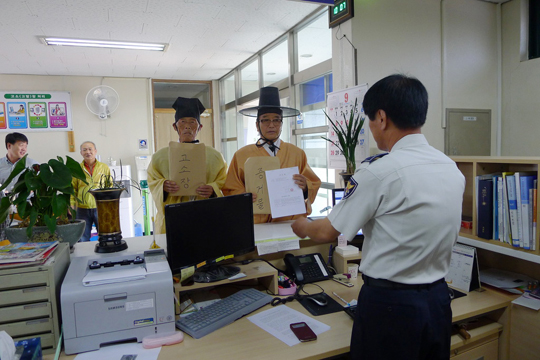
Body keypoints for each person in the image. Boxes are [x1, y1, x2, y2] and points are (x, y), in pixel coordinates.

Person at [291, 74, 466, 360]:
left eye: (370, 120)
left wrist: (301, 225)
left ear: (382, 118)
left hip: (391, 306)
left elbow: (326, 233)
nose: (371, 128)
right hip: (437, 301)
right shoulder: (450, 168)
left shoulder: (378, 172)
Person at [222, 86, 321, 224]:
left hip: (289, 222)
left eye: (276, 120)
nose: (271, 125)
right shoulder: (242, 155)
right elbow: (230, 188)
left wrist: (305, 187)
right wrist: (243, 197)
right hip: (255, 222)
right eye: (265, 120)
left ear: (281, 123)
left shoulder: (297, 153)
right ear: (257, 125)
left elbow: (313, 183)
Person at [147, 97, 227, 234]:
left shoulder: (215, 156)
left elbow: (224, 182)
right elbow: (152, 181)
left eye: (192, 122)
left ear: (200, 127)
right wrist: (163, 186)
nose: (187, 126)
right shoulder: (160, 157)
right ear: (175, 126)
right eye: (182, 122)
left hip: (205, 216)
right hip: (173, 218)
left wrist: (213, 190)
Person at [70, 141, 111, 242]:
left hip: (100, 207)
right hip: (82, 208)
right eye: (84, 150)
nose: (88, 152)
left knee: (105, 235)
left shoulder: (104, 167)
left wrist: (108, 204)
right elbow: (72, 188)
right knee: (82, 238)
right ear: (81, 153)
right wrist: (71, 204)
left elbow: (109, 187)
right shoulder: (76, 169)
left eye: (90, 149)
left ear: (95, 151)